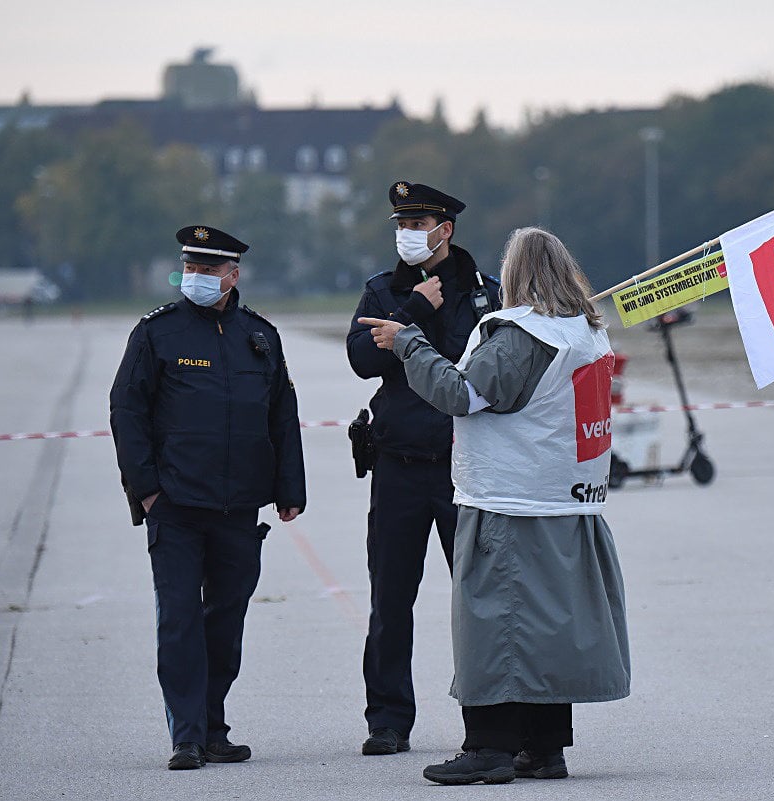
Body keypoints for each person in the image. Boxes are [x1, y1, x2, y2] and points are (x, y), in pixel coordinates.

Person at [358, 226, 631, 785]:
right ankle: (545, 745)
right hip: (568, 503)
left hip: (510, 502)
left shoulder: (519, 337)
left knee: (493, 622)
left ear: (516, 275)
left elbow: (461, 394)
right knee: (547, 627)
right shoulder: (586, 333)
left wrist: (410, 343)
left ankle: (489, 746)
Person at [110, 224, 307, 771]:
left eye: (206, 269)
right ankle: (187, 735)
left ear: (232, 276)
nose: (193, 277)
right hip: (174, 506)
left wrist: (290, 489)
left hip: (238, 508)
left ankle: (213, 725)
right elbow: (126, 411)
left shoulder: (260, 337)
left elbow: (281, 416)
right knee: (178, 619)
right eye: (188, 267)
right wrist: (146, 488)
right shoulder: (157, 334)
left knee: (225, 621)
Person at [346, 181, 501, 756]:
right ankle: (387, 719)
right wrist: (411, 314)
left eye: (418, 225)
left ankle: (487, 720)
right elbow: (361, 360)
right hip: (399, 465)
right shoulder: (384, 289)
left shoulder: (486, 293)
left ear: (445, 229)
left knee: (481, 599)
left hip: (466, 467)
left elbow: (497, 364)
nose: (408, 235)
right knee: (390, 599)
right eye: (402, 225)